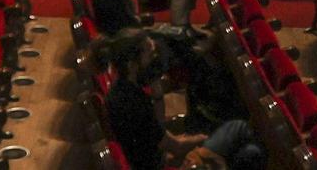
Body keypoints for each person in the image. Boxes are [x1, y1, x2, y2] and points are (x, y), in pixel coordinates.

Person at [103, 29, 265, 170]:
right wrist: (205, 138)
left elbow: (158, 133)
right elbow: (176, 147)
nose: (154, 60)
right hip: (165, 165)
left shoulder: (121, 90)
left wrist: (157, 91)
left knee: (250, 152)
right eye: (150, 55)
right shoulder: (134, 102)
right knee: (239, 127)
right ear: (132, 65)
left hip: (157, 159)